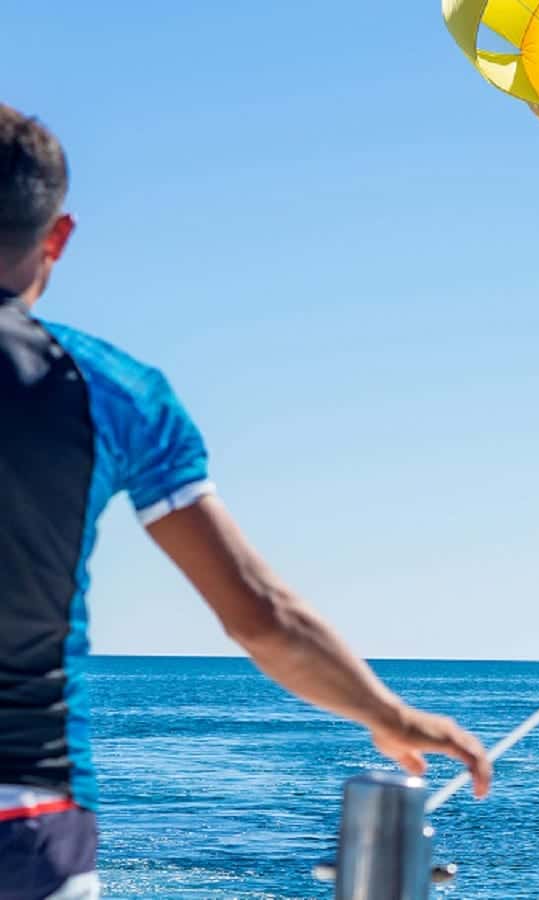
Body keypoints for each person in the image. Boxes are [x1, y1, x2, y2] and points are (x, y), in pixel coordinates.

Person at [0, 104, 492, 900]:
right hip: (27, 818)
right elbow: (261, 615)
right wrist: (387, 712)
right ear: (56, 238)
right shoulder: (113, 392)